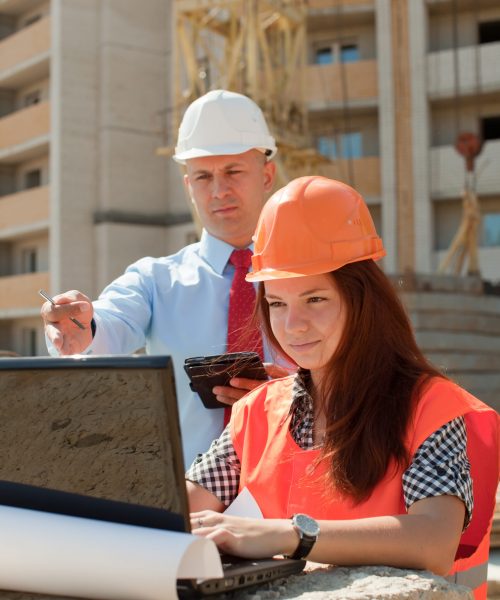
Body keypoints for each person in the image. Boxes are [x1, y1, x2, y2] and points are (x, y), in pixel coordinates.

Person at [186, 176, 499, 599]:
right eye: (278, 303)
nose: (293, 325)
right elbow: (185, 507)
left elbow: (433, 542)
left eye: (315, 299)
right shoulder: (256, 412)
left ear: (363, 302)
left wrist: (286, 535)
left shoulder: (431, 407)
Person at [41, 90, 284, 466]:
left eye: (233, 171)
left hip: (291, 499)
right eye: (203, 176)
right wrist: (80, 328)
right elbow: (108, 326)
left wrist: (294, 392)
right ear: (188, 187)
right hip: (189, 502)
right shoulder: (155, 280)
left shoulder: (316, 278)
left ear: (266, 175)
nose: (219, 190)